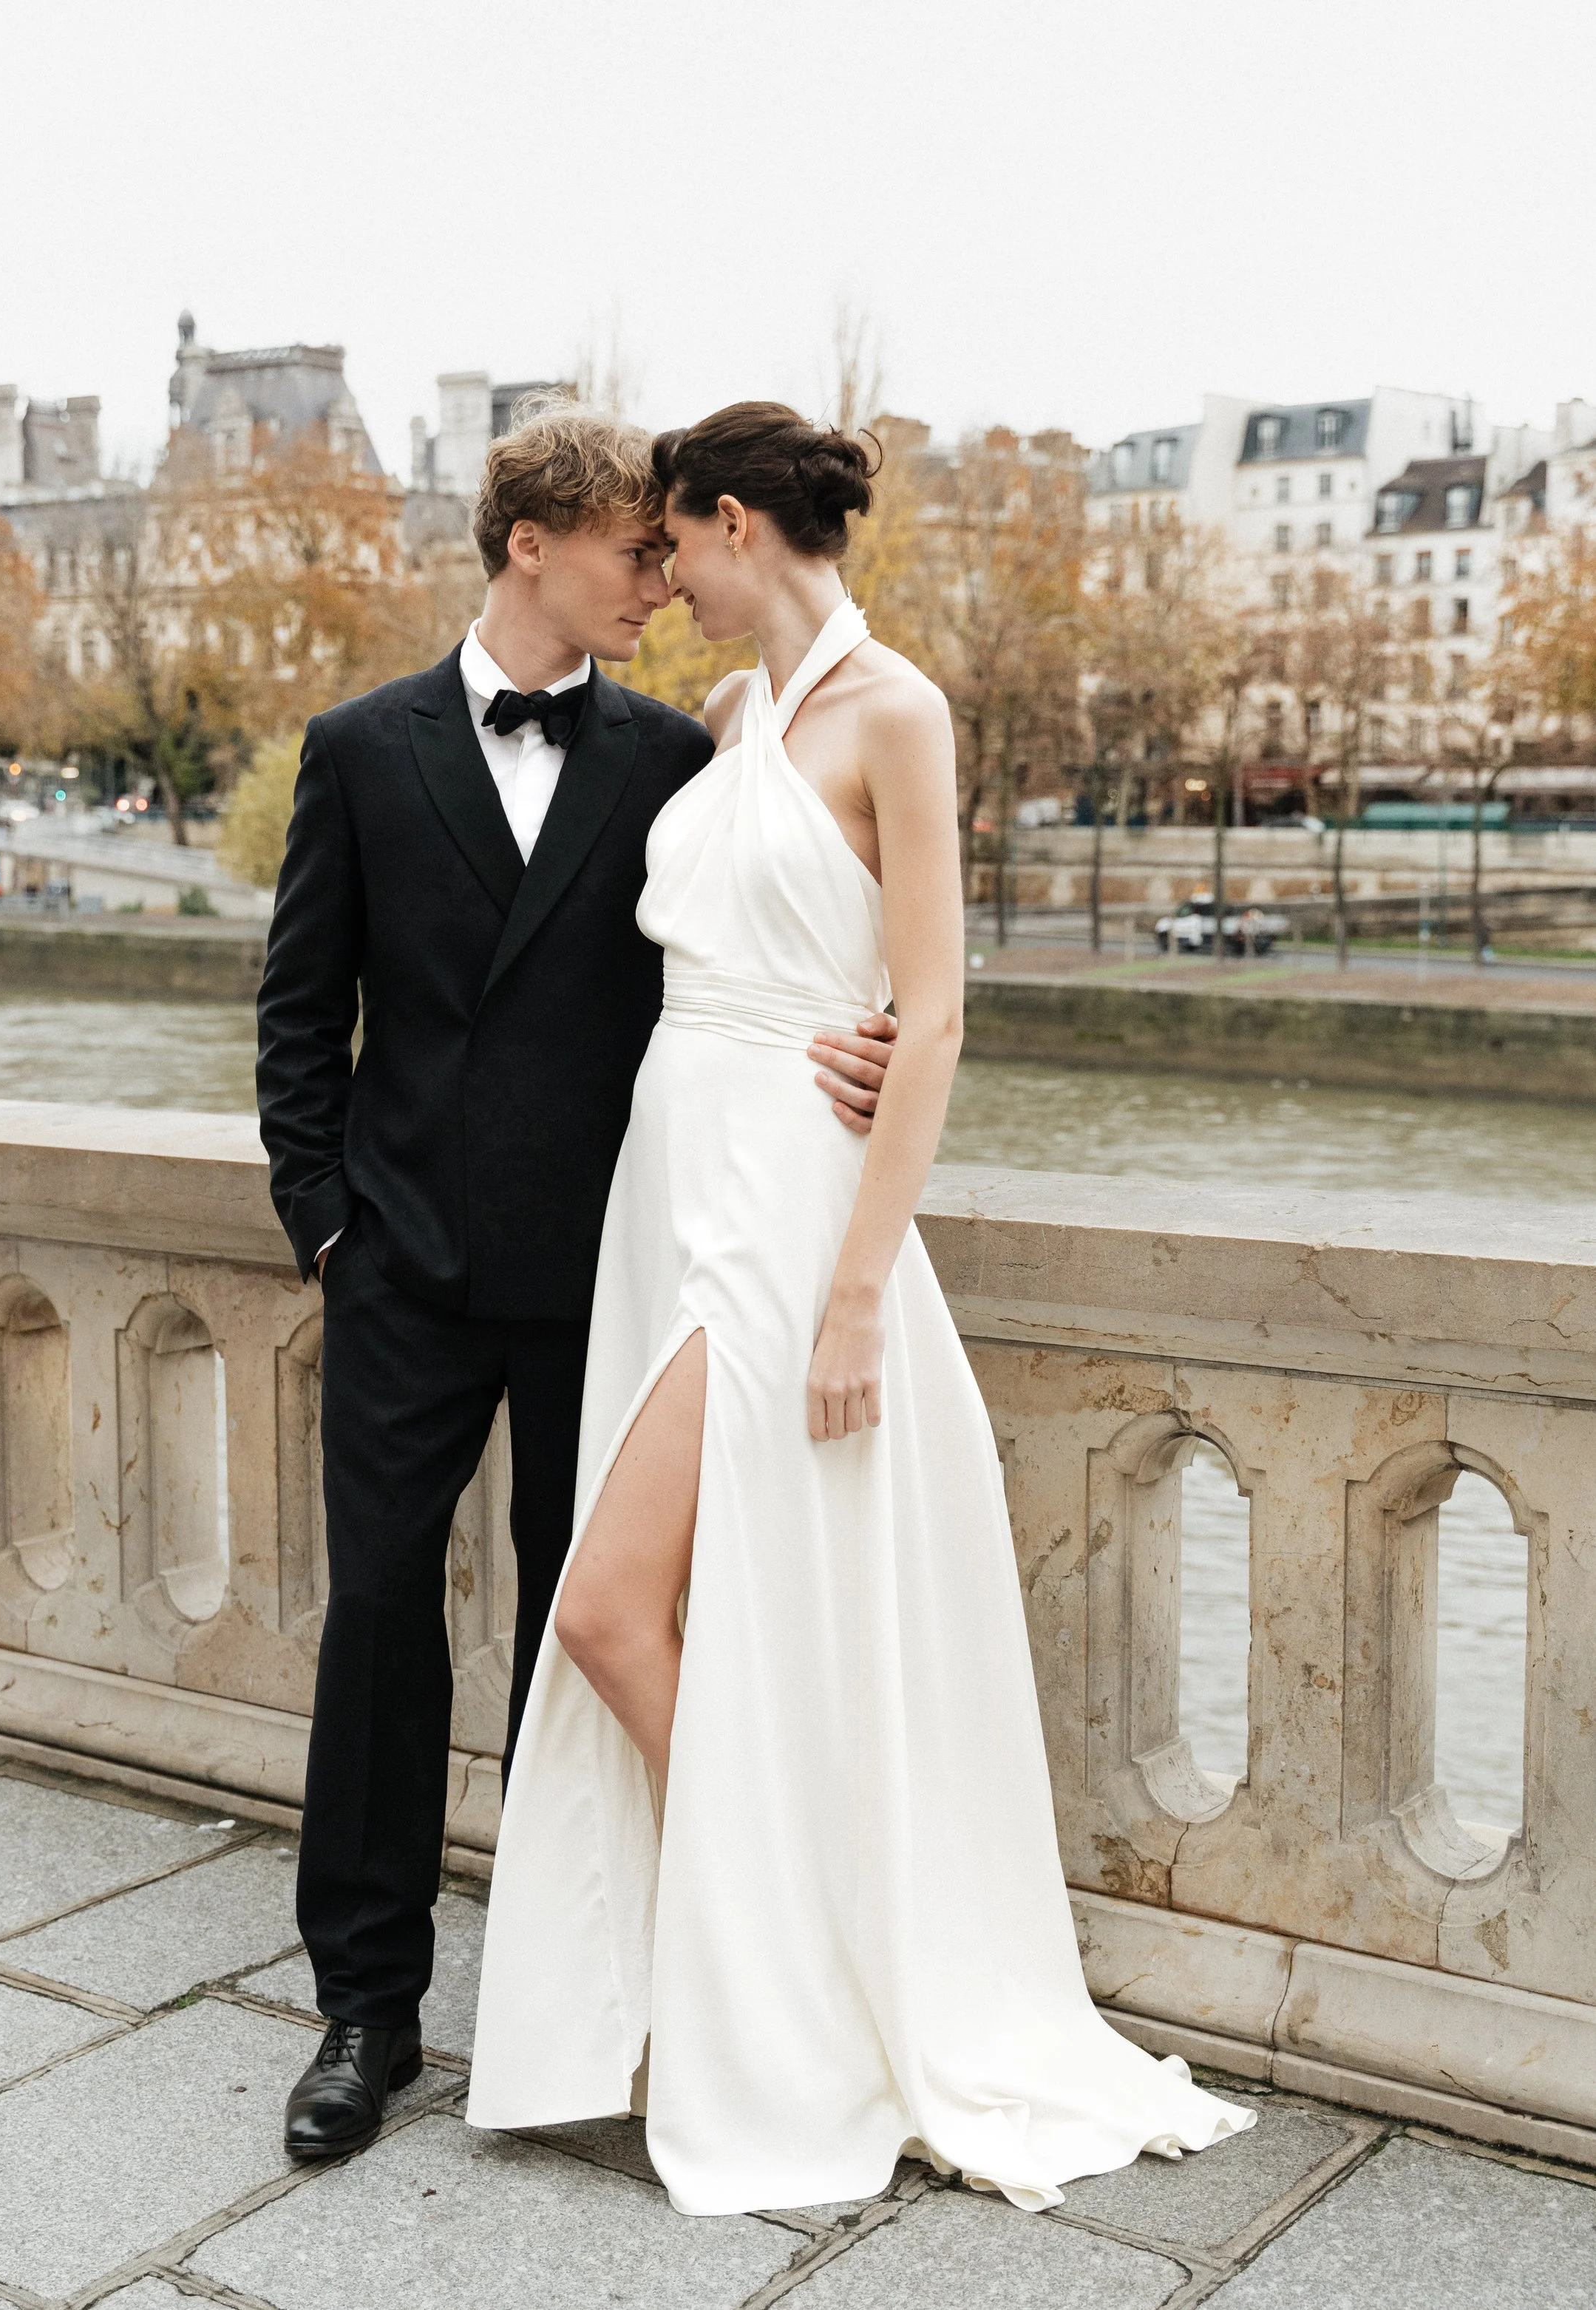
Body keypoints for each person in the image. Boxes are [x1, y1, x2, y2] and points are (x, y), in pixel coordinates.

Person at [467, 402, 1254, 2215]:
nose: (661, 574)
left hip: (784, 1218)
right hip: (670, 1189)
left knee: (600, 1607)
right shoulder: (736, 718)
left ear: (741, 526)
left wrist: (849, 1299)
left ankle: (806, 1953)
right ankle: (783, 1943)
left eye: (675, 543)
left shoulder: (895, 710)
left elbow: (936, 1006)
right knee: (665, 1605)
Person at [254, 406, 897, 2160]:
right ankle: (362, 2013)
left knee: (579, 1625)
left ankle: (599, 1994)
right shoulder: (360, 749)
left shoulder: (677, 755)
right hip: (400, 1271)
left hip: (610, 1264)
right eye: (632, 551)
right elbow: (300, 1020)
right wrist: (328, 1224)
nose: (658, 580)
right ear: (529, 544)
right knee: (380, 1626)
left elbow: (776, 931)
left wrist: (875, 1042)